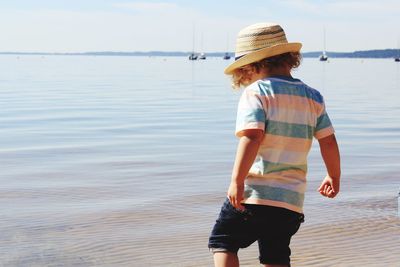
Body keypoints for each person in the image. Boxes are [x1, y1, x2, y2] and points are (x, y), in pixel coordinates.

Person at [208, 22, 341, 267]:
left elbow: (252, 137)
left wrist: (237, 181)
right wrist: (333, 176)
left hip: (254, 195)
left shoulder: (257, 92)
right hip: (290, 201)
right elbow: (329, 140)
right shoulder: (313, 96)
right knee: (276, 255)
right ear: (290, 58)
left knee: (223, 241)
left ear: (250, 65)